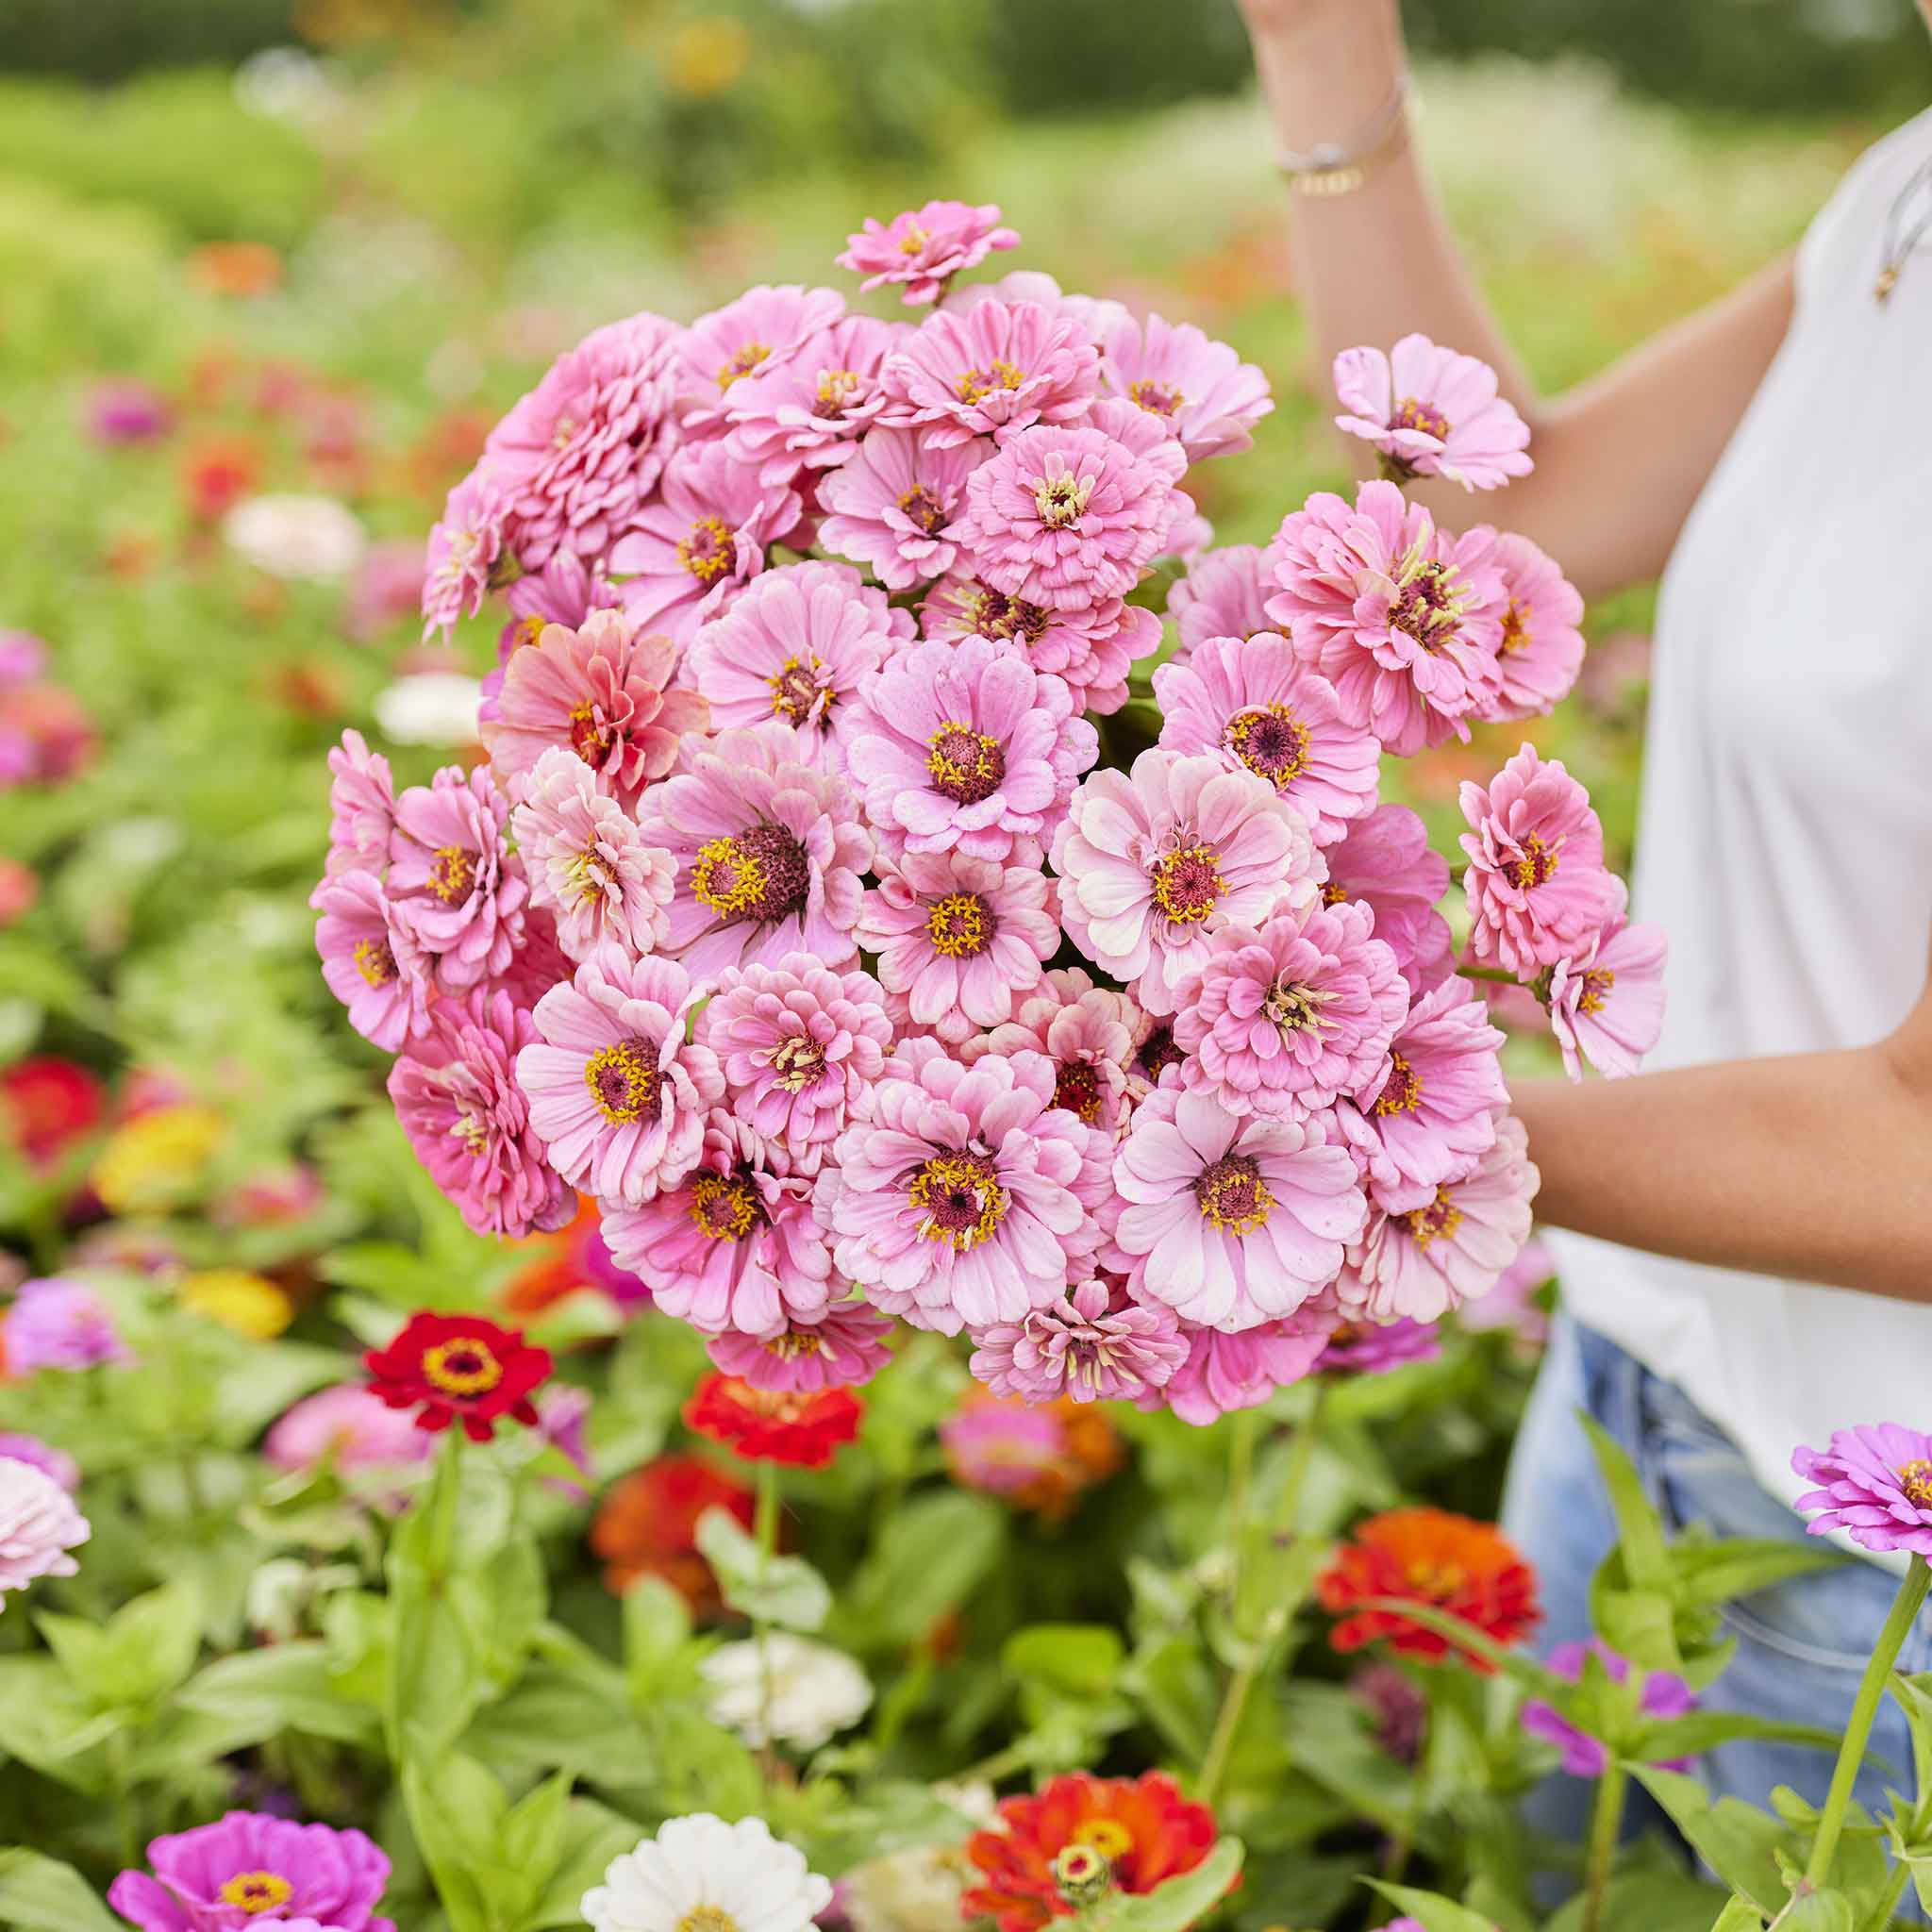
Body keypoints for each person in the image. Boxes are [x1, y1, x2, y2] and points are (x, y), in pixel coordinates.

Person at [1234, 0, 1932, 1890]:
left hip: (1880, 1579)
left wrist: (1323, 1126)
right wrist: (1323, 51)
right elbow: (1498, 519)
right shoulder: (1901, 201)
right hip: (1649, 1367)